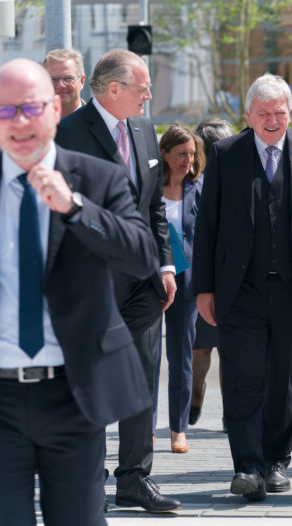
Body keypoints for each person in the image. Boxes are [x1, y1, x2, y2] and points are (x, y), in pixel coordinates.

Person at [0, 58, 156, 525]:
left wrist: (75, 208)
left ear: (54, 108)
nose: (20, 122)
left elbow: (140, 255)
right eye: (6, 112)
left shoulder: (96, 178)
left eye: (31, 108)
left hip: (74, 391)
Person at [193, 73, 292, 501]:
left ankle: (277, 461)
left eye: (280, 112)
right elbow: (207, 224)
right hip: (238, 290)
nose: (272, 120)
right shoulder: (225, 153)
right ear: (248, 115)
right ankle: (246, 466)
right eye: (263, 113)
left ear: (291, 113)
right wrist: (204, 288)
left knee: (283, 379)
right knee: (242, 378)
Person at [54, 49, 181, 513]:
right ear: (113, 90)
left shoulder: (146, 129)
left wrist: (165, 266)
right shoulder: (67, 134)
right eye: (142, 87)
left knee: (139, 382)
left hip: (144, 283)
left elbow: (155, 207)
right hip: (90, 284)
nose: (149, 95)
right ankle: (88, 481)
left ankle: (134, 479)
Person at [155, 124, 205, 453]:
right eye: (181, 154)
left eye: (192, 154)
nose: (188, 160)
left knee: (181, 357)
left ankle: (178, 429)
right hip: (150, 281)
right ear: (164, 154)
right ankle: (144, 427)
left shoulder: (199, 188)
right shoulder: (149, 188)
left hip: (186, 284)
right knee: (146, 359)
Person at [189, 118, 235, 428]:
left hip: (234, 276)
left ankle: (231, 408)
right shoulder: (192, 185)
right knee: (200, 346)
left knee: (230, 347)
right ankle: (194, 396)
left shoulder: (242, 180)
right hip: (202, 274)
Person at [43, 49, 85, 117]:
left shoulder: (101, 124)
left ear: (82, 81)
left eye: (68, 78)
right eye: (54, 79)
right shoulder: (32, 124)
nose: (60, 85)